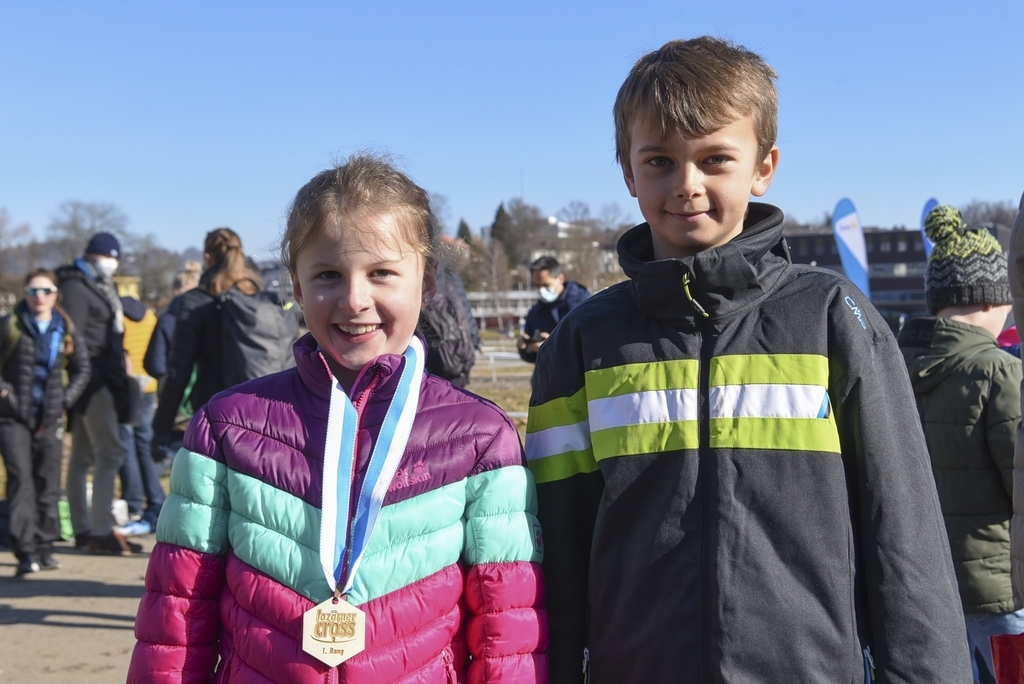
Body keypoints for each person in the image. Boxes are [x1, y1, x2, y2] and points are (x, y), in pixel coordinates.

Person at [525, 36, 970, 683]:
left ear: (763, 166)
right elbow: (555, 552)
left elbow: (903, 538)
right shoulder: (585, 341)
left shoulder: (829, 319)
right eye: (659, 161)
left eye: (714, 160)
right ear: (626, 169)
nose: (687, 185)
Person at [128, 153, 547, 683]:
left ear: (429, 282)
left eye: (382, 274)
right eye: (328, 274)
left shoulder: (480, 438)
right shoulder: (226, 427)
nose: (354, 300)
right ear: (297, 288)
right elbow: (176, 613)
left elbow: (506, 628)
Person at [897, 205, 1022, 683]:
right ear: (990, 301)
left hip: (927, 588)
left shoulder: (895, 365)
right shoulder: (998, 371)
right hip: (1001, 593)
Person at [56, 232, 142, 555]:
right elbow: (75, 337)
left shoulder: (92, 285)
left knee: (81, 456)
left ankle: (83, 528)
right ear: (93, 255)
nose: (113, 263)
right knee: (110, 453)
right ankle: (100, 531)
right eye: (110, 256)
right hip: (95, 380)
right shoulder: (77, 288)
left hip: (95, 378)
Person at [0, 269, 90, 575]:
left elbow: (82, 369)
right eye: (33, 291)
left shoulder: (64, 328)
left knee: (48, 483)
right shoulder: (10, 325)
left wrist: (65, 400)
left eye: (46, 291)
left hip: (50, 418)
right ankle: (25, 552)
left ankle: (44, 545)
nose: (39, 297)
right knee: (21, 481)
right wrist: (4, 394)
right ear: (25, 294)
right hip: (12, 418)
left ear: (56, 295)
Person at [149, 229, 264, 454]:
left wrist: (160, 429)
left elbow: (177, 374)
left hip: (213, 415)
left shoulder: (195, 302)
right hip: (259, 415)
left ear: (207, 258)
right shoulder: (256, 297)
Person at [114, 288, 163, 537]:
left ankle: (133, 504)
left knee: (126, 446)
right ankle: (156, 498)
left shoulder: (117, 316)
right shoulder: (149, 315)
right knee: (144, 445)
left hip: (127, 386)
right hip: (149, 386)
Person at [516, 256, 588, 363]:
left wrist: (553, 345)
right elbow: (533, 358)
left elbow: (590, 345)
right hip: (548, 377)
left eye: (546, 285)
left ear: (560, 279)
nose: (541, 290)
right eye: (537, 285)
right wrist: (524, 348)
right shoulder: (535, 312)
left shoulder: (583, 305)